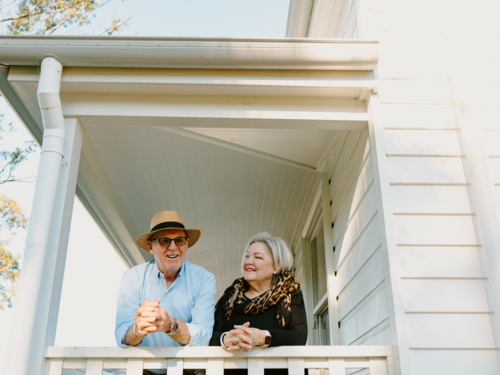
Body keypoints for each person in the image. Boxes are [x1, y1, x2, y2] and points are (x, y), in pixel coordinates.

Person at [115, 211, 216, 348]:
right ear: (151, 247)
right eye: (164, 241)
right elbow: (122, 336)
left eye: (179, 240)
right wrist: (138, 329)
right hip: (143, 369)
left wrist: (170, 325)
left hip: (188, 369)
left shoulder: (204, 279)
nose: (173, 247)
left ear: (187, 244)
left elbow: (204, 336)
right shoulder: (132, 277)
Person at [210, 232, 307, 358]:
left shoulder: (290, 294)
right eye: (247, 256)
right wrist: (226, 338)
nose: (249, 262)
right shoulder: (230, 297)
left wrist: (263, 338)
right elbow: (209, 335)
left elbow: (299, 337)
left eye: (258, 257)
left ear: (277, 265)